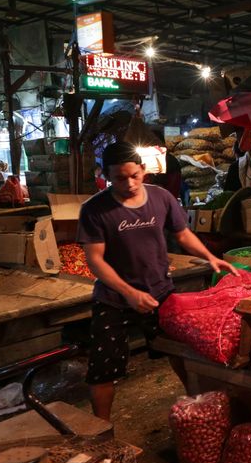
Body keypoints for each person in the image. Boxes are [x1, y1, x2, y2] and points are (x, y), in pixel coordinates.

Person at [78, 141, 242, 421]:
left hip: (160, 292)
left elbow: (181, 234)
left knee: (181, 351)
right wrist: (129, 293)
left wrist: (209, 257)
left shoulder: (161, 198)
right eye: (119, 178)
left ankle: (196, 408)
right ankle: (103, 432)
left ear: (143, 170)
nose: (129, 183)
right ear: (105, 175)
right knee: (103, 369)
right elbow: (95, 260)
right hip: (114, 299)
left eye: (134, 175)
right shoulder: (94, 209)